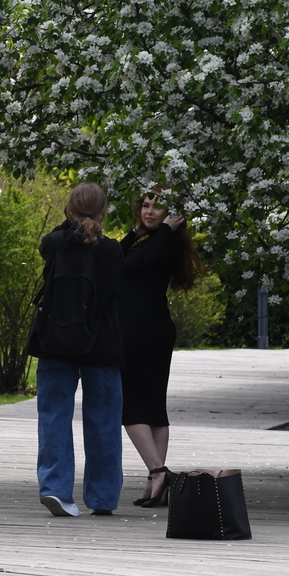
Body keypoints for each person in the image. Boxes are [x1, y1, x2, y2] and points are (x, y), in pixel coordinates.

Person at [25, 182, 124, 517]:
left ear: (68, 210)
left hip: (55, 341)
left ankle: (56, 488)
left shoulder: (53, 244)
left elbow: (58, 242)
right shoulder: (111, 251)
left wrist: (69, 226)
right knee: (104, 421)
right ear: (102, 212)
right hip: (102, 342)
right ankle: (103, 496)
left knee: (53, 416)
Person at [119, 194, 197, 507]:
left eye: (157, 207)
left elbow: (152, 262)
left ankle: (159, 471)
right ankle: (156, 483)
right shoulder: (147, 240)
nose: (150, 212)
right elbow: (112, 263)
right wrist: (134, 233)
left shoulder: (168, 242)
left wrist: (164, 229)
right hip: (140, 331)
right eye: (146, 206)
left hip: (145, 332)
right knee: (149, 408)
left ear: (173, 215)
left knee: (133, 407)